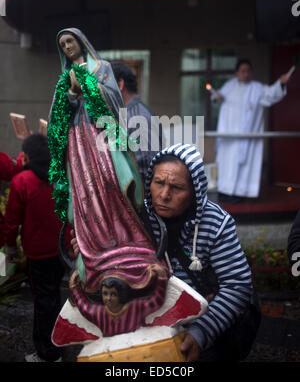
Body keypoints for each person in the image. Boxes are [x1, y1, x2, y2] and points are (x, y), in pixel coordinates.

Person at [70, 143, 254, 362]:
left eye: (176, 188)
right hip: (146, 330)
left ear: (195, 190)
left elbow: (237, 285)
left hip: (204, 328)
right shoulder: (134, 217)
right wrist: (92, 252)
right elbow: (116, 269)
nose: (164, 195)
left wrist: (202, 333)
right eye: (159, 183)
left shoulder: (216, 224)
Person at [48, 29, 169, 337]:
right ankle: (95, 244)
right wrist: (71, 94)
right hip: (78, 142)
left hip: (101, 136)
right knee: (86, 192)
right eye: (62, 45)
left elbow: (113, 101)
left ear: (81, 42)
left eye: (70, 42)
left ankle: (124, 238)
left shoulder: (101, 69)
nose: (67, 47)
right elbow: (60, 115)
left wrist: (87, 88)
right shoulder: (65, 77)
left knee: (110, 187)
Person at [3, 133, 65, 362]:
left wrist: (11, 249)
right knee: (54, 297)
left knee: (42, 303)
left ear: (28, 156)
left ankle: (48, 354)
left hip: (37, 254)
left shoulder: (22, 181)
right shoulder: (60, 177)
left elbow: (11, 222)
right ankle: (58, 343)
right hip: (60, 251)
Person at [212, 59, 292, 202]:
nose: (246, 74)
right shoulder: (229, 86)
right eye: (243, 71)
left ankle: (238, 194)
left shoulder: (257, 88)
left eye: (248, 71)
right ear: (237, 73)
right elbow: (218, 97)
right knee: (226, 164)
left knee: (242, 166)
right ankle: (224, 192)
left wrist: (281, 83)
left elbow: (272, 93)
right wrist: (216, 97)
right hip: (228, 137)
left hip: (246, 138)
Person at [111, 61, 164, 184]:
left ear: (120, 84)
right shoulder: (127, 115)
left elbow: (147, 172)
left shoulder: (138, 118)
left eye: (105, 85)